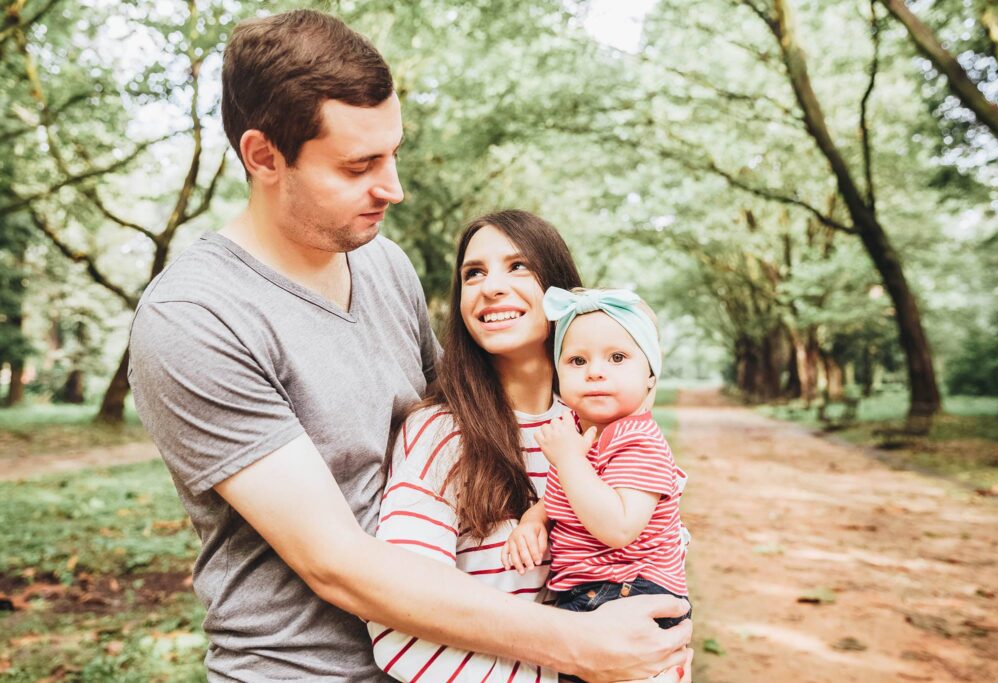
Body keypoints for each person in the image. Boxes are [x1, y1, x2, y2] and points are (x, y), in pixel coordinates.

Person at [127, 9, 691, 681]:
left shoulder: (381, 262)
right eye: (360, 164)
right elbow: (335, 562)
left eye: (392, 152)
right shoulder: (197, 318)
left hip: (469, 654)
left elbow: (471, 428)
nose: (392, 186)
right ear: (263, 156)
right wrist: (575, 644)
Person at [369, 212, 693, 682]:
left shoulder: (606, 430)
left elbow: (660, 583)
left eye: (518, 266)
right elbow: (400, 627)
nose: (491, 286)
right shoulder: (441, 432)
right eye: (473, 273)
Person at [502, 288, 690, 636]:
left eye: (617, 358)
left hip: (630, 593)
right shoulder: (577, 430)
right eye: (578, 361)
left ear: (650, 373)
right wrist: (534, 520)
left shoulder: (638, 439)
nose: (595, 372)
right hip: (592, 593)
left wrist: (570, 460)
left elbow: (618, 527)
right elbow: (568, 497)